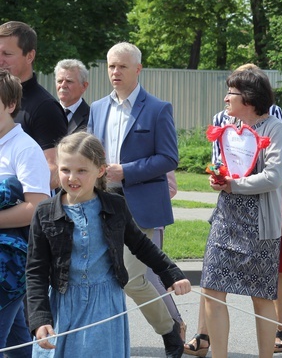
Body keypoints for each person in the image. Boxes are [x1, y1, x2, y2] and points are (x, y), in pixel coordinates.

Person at [25, 133, 191, 357]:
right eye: (65, 170)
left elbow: (141, 245)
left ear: (100, 170)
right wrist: (39, 318)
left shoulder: (115, 206)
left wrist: (171, 273)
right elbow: (36, 270)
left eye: (82, 170)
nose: (72, 177)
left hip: (104, 306)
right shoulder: (45, 213)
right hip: (64, 306)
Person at [185, 64, 282, 356]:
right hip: (225, 221)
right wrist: (219, 177)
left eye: (232, 93)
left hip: (260, 226)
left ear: (249, 99)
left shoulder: (273, 127)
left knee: (260, 296)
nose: (226, 99)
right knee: (212, 292)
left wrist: (233, 185)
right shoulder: (229, 127)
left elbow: (274, 177)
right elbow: (227, 168)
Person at [87, 42, 184, 357]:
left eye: (122, 66)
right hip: (101, 203)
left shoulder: (158, 109)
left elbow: (169, 157)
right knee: (102, 278)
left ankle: (170, 330)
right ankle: (105, 344)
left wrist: (126, 171)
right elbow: (89, 153)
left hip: (141, 206)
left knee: (131, 278)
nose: (115, 72)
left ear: (138, 69)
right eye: (111, 66)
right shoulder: (98, 108)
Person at [0, 70, 51, 356]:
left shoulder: (25, 148)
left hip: (9, 263)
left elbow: (37, 209)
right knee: (16, 341)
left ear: (10, 105)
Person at [0, 21, 67, 190]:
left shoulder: (45, 107)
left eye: (7, 54)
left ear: (30, 56)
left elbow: (55, 170)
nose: (0, 60)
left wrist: (9, 197)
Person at [54, 59, 90, 134]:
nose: (63, 85)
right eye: (59, 81)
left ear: (84, 86)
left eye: (69, 81)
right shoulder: (46, 112)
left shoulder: (92, 117)